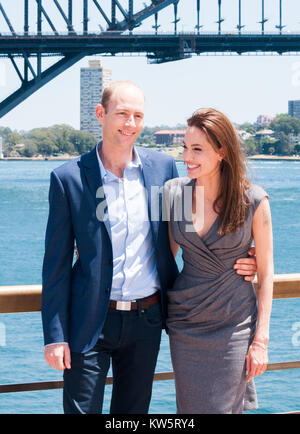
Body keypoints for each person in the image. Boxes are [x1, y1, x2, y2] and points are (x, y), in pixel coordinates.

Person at [42, 81, 258, 414]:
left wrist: (243, 255)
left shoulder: (163, 170)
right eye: (122, 114)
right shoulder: (68, 178)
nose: (130, 124)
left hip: (148, 320)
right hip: (89, 323)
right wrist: (55, 336)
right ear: (101, 114)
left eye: (138, 116)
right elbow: (55, 265)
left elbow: (195, 232)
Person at [164, 108, 274, 414]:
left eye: (197, 149)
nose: (187, 156)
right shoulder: (174, 195)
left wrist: (260, 342)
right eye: (185, 147)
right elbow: (161, 256)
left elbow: (266, 276)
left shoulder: (253, 200)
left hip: (234, 322)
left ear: (222, 151)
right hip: (185, 323)